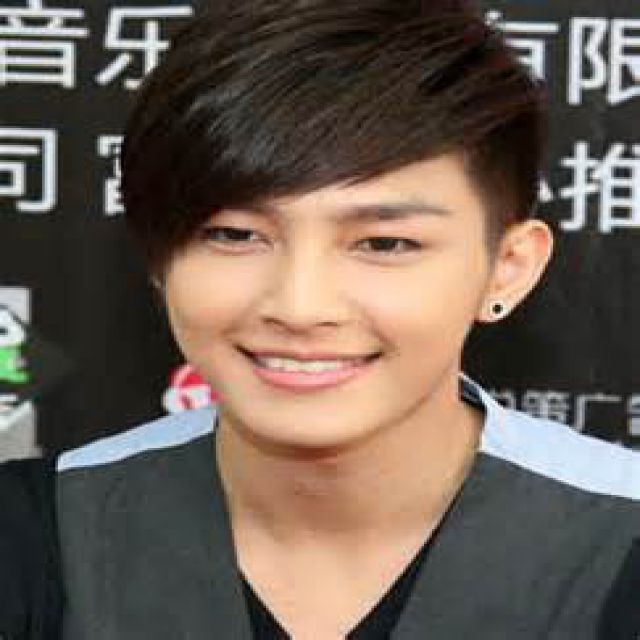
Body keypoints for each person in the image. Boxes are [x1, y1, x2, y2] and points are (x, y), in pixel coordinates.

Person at [1, 1, 639, 638]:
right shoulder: (41, 532)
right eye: (234, 234)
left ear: (508, 267)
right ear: (159, 258)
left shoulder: (618, 535)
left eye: (384, 244)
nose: (300, 307)